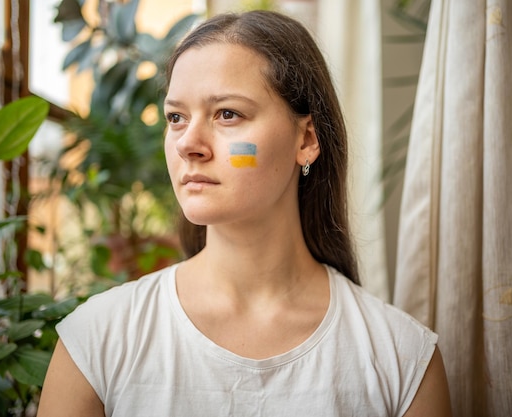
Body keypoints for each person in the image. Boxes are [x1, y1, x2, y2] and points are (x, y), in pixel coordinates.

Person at [37, 10, 452, 417]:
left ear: (306, 139)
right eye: (176, 117)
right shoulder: (95, 339)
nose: (188, 144)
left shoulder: (403, 360)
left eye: (227, 114)